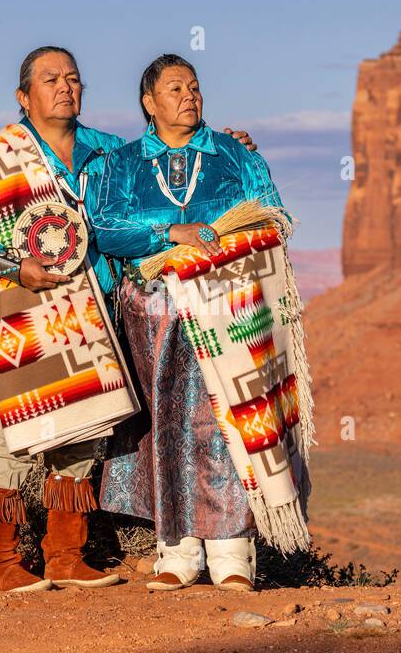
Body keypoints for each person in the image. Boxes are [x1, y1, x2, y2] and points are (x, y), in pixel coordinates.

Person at [0, 46, 258, 593]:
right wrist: (10, 264)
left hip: (96, 312)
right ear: (24, 95)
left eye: (73, 78)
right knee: (18, 436)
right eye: (50, 79)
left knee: (86, 432)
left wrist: (226, 146)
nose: (65, 87)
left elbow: (160, 165)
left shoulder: (106, 152)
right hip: (25, 310)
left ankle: (65, 556)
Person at [89, 54, 309, 593]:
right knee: (166, 423)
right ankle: (177, 550)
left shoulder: (234, 154)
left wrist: (219, 246)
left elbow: (274, 215)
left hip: (227, 309)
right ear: (149, 103)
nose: (189, 96)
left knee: (225, 417)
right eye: (175, 89)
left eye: (194, 86)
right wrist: (172, 233)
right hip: (152, 313)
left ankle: (232, 551)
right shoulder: (120, 165)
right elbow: (103, 228)